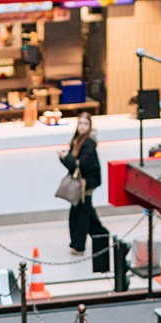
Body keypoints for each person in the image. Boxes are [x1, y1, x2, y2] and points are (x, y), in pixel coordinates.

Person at [61, 112, 108, 272]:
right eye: (80, 123)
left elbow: (81, 166)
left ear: (89, 126)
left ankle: (82, 244)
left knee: (82, 213)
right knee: (84, 212)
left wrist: (64, 158)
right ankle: (101, 237)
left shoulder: (87, 144)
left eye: (85, 124)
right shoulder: (78, 141)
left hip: (87, 184)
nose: (82, 126)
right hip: (84, 184)